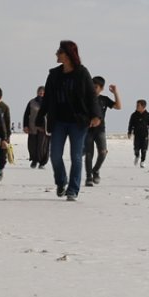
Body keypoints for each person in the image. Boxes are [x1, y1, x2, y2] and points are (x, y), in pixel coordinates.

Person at [39, 40, 98, 201]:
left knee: (76, 156)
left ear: (68, 54)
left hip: (78, 122)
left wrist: (96, 115)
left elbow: (91, 95)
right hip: (58, 121)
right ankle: (61, 181)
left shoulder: (82, 73)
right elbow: (47, 99)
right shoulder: (54, 74)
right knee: (55, 155)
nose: (57, 54)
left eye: (60, 52)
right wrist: (39, 117)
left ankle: (73, 189)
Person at [82, 76, 122, 186]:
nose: (93, 89)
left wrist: (115, 92)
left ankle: (95, 170)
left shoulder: (104, 99)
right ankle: (89, 177)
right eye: (91, 86)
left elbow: (118, 106)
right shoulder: (85, 98)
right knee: (89, 154)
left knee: (103, 152)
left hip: (100, 130)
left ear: (101, 88)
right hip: (88, 130)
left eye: (95, 87)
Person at [21, 86, 48, 169]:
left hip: (44, 128)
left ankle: (42, 162)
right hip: (32, 127)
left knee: (42, 146)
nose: (41, 94)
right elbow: (26, 115)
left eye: (43, 93)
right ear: (37, 93)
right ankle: (34, 160)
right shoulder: (32, 102)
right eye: (40, 92)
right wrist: (25, 126)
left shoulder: (49, 103)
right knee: (32, 145)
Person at [128, 99, 149, 167]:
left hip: (145, 135)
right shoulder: (133, 115)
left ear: (143, 106)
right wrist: (129, 132)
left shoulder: (148, 115)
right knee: (136, 149)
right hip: (137, 135)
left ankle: (142, 161)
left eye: (138, 105)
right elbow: (130, 124)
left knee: (144, 149)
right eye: (136, 105)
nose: (136, 107)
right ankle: (137, 156)